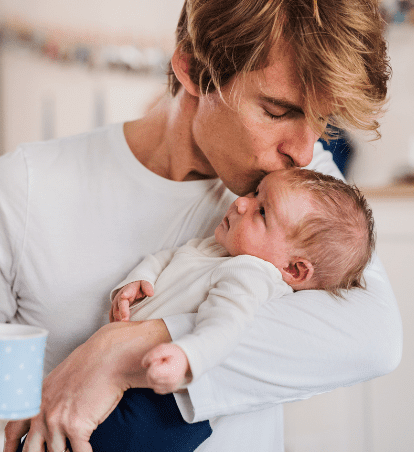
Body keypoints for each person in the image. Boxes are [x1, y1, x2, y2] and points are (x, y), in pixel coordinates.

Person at [0, 0, 401, 452]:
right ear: (193, 69)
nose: (304, 151)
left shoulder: (299, 191)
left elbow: (375, 338)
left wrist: (118, 351)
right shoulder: (22, 188)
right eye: (278, 111)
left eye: (321, 120)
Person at [84, 168, 373, 451]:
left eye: (262, 212)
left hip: (161, 405)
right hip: (138, 379)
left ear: (293, 269)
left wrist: (187, 357)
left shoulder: (251, 274)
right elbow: (169, 257)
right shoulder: (220, 248)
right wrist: (140, 279)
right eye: (256, 192)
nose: (241, 202)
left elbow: (226, 326)